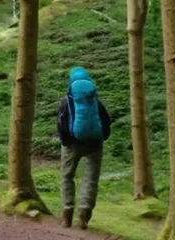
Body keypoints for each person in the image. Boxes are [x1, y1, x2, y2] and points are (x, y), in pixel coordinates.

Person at [56, 67, 111, 230]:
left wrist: (66, 142)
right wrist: (101, 138)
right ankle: (84, 216)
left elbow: (61, 124)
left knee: (67, 176)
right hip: (95, 144)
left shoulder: (66, 101)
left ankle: (67, 215)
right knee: (90, 179)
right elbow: (106, 121)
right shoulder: (95, 102)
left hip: (72, 145)